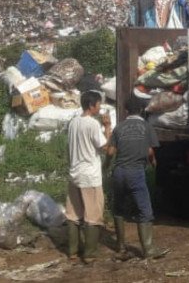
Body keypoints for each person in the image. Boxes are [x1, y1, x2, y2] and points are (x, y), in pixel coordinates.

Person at [108, 96, 169, 259]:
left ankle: (120, 247)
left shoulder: (118, 128)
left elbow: (110, 152)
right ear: (141, 110)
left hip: (119, 172)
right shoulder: (147, 127)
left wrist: (105, 167)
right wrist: (153, 162)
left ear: (126, 110)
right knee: (145, 211)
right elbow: (150, 151)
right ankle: (148, 250)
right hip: (136, 173)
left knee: (119, 209)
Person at [66, 90, 112, 263]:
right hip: (89, 176)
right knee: (93, 215)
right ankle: (90, 254)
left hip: (74, 174)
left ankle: (72, 251)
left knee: (73, 214)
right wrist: (107, 127)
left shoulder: (73, 123)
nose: (100, 108)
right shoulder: (92, 124)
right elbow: (105, 147)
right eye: (99, 104)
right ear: (92, 106)